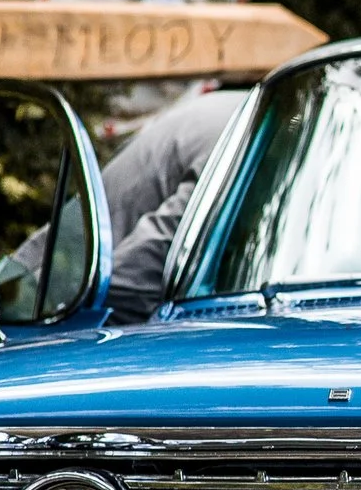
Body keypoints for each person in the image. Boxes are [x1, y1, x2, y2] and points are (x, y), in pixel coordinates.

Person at [98, 86, 250, 322]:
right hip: (60, 296)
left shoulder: (247, 115)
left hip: (78, 278)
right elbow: (139, 277)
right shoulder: (244, 146)